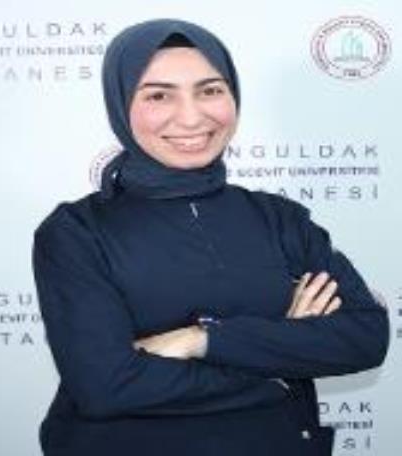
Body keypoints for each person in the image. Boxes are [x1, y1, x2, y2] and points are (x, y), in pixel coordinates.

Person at [32, 18, 389, 456]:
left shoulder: (278, 218)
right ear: (120, 103)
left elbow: (365, 336)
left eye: (210, 90)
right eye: (159, 95)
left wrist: (199, 341)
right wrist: (281, 363)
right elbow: (105, 385)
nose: (191, 116)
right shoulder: (77, 231)